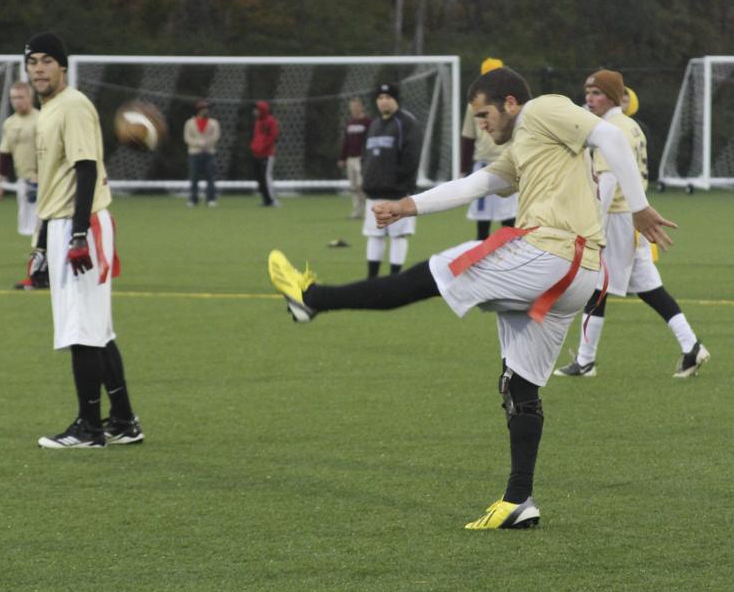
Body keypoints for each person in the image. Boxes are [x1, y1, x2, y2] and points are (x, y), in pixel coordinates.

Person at [268, 66, 675, 529]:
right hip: (577, 275)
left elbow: (612, 139)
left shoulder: (543, 109)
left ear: (509, 103)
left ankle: (313, 298)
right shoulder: (525, 148)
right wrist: (408, 205)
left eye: (484, 114)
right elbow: (474, 186)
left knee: (437, 270)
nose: (481, 125)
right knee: (519, 384)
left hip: (552, 254)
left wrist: (639, 206)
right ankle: (519, 500)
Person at [24, 32, 143, 448]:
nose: (38, 68)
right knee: (97, 329)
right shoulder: (50, 109)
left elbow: (87, 169)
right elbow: (52, 186)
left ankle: (89, 429)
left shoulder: (72, 105)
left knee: (80, 330)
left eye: (46, 61)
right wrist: (40, 244)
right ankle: (124, 421)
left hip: (82, 224)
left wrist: (76, 235)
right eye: (32, 61)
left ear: (62, 66)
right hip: (63, 224)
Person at [555, 70, 709, 379]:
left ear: (612, 96)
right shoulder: (630, 125)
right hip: (634, 216)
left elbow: (609, 182)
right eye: (587, 91)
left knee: (597, 287)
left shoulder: (611, 128)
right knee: (650, 288)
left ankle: (585, 361)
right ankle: (691, 345)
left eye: (596, 92)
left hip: (617, 218)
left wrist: (594, 228)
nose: (589, 97)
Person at [361, 83, 422, 278]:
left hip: (398, 193)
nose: (383, 101)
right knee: (375, 235)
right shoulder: (374, 125)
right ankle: (372, 280)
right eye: (380, 98)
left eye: (388, 97)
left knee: (398, 235)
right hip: (374, 191)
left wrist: (400, 183)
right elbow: (367, 157)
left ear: (396, 100)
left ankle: (395, 278)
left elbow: (411, 157)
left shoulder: (406, 123)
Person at [461, 58, 517, 239]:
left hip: (508, 164)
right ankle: (481, 260)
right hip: (484, 164)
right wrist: (464, 168)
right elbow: (468, 136)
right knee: (482, 220)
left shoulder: (511, 102)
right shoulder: (474, 104)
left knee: (509, 218)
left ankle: (510, 261)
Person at [0, 81, 47, 289]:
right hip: (23, 184)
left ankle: (37, 275)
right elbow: (5, 154)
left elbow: (48, 150)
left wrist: (40, 174)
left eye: (21, 97)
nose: (17, 102)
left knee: (41, 229)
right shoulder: (10, 123)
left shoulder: (41, 119)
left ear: (30, 97)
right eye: (13, 98)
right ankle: (40, 272)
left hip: (43, 182)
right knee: (33, 230)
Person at [337, 97, 372, 219]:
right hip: (350, 159)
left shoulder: (368, 122)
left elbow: (370, 141)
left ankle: (370, 209)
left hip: (362, 158)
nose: (354, 109)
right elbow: (346, 141)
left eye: (356, 106)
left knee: (362, 184)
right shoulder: (350, 123)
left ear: (361, 107)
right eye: (351, 107)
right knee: (353, 186)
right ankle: (357, 211)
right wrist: (342, 157)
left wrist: (368, 156)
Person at [183, 99, 220, 207]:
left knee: (210, 177)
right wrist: (198, 143)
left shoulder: (213, 123)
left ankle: (211, 199)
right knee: (194, 177)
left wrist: (207, 143)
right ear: (200, 110)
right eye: (205, 109)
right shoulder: (189, 123)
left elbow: (216, 136)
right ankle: (193, 199)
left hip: (209, 152)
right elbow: (187, 138)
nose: (207, 111)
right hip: (194, 153)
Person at [250, 100, 280, 207]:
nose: (254, 112)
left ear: (261, 110)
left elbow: (273, 137)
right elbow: (256, 137)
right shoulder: (257, 122)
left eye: (256, 109)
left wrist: (263, 147)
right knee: (260, 179)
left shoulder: (271, 121)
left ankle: (273, 200)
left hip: (267, 154)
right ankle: (266, 200)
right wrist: (254, 147)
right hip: (257, 154)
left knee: (266, 177)